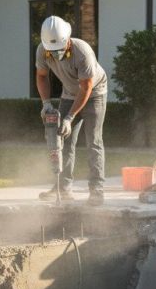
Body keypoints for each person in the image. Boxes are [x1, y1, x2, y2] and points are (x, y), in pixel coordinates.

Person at [35, 16, 108, 206]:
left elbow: (86, 88)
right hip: (69, 93)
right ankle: (63, 188)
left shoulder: (82, 52)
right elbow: (42, 77)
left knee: (93, 140)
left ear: (68, 40)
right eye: (52, 51)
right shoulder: (43, 50)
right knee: (62, 140)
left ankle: (97, 191)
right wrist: (46, 103)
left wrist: (69, 117)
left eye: (59, 49)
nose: (56, 53)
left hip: (95, 93)